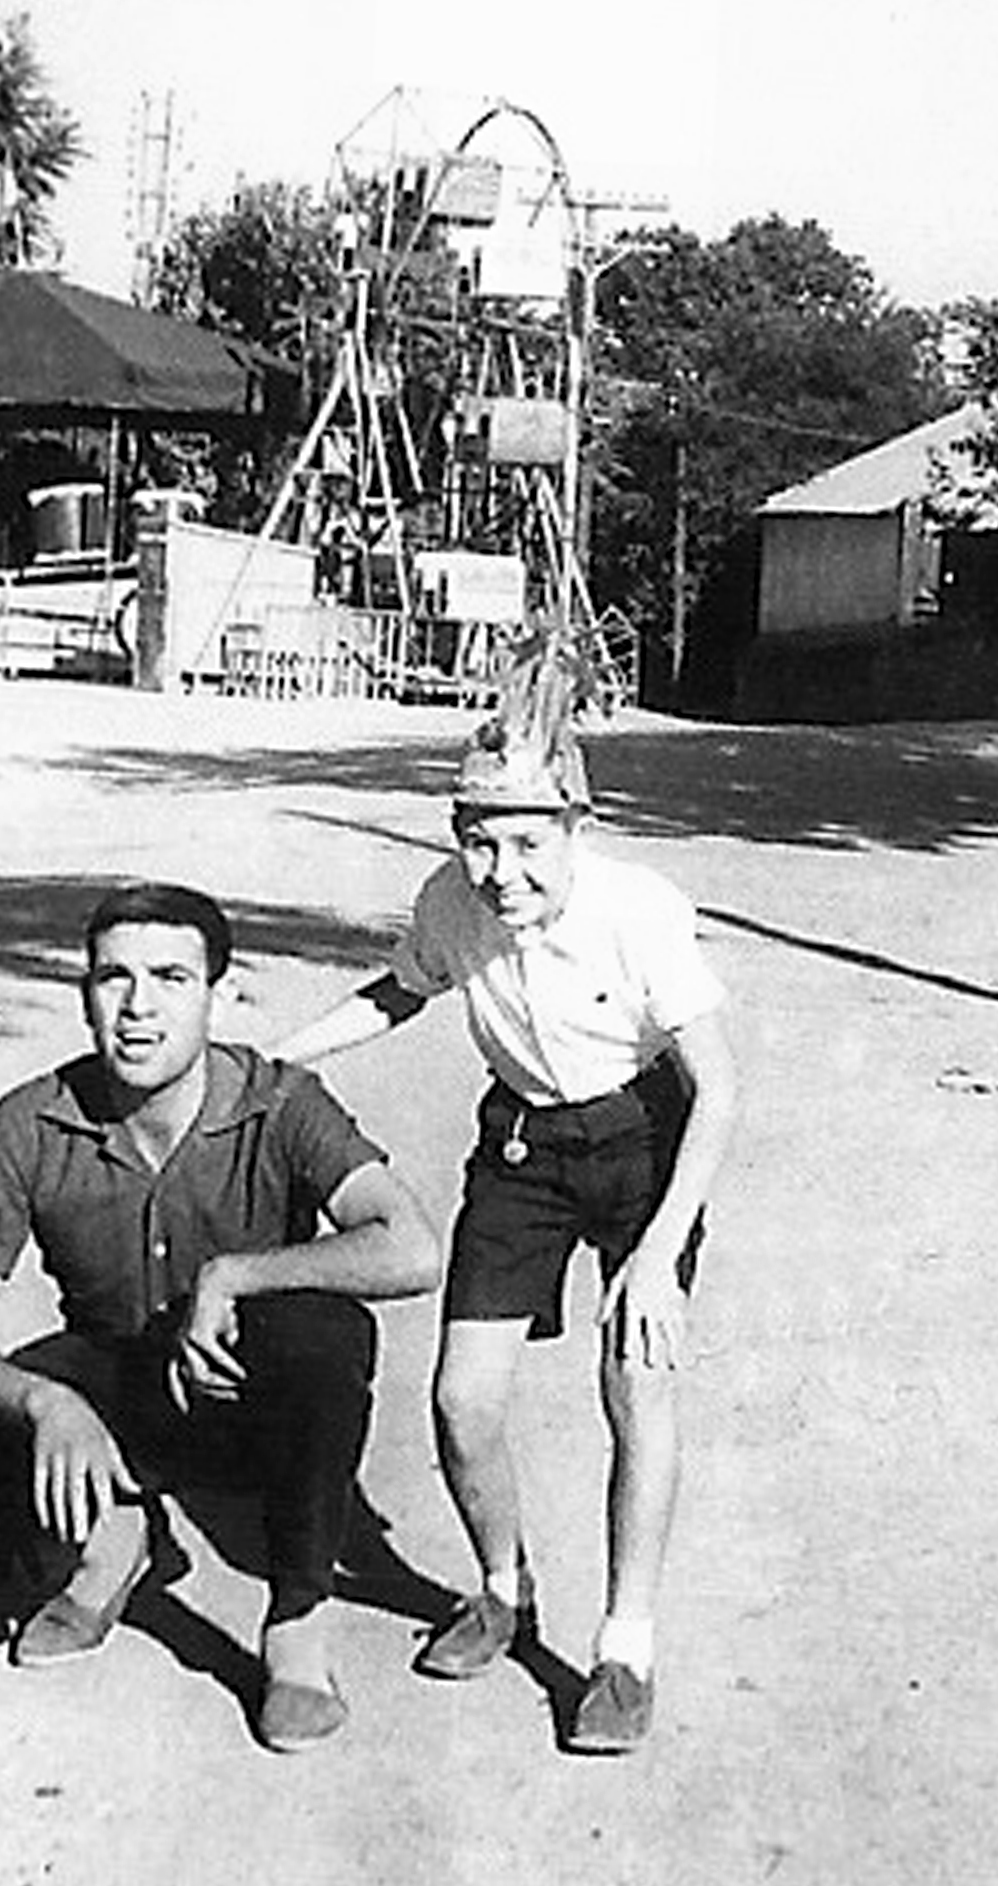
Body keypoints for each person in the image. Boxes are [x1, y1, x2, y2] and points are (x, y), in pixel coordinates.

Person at [273, 631, 737, 1753]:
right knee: (461, 1401)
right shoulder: (450, 902)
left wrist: (657, 1258)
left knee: (636, 1386)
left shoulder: (638, 910)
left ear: (577, 826)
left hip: (644, 1145)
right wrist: (274, 1060)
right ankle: (501, 1588)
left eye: (528, 842)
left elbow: (717, 1090)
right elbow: (398, 993)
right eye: (479, 841)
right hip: (524, 1148)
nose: (502, 871)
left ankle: (623, 1650)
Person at [0, 881, 440, 1753]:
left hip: (242, 1389)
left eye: (170, 978)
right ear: (85, 995)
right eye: (113, 978)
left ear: (217, 996)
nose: (137, 1007)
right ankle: (113, 1536)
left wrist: (234, 1277)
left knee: (324, 1336)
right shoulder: (27, 1122)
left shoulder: (281, 1101)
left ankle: (296, 1621)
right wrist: (48, 1404)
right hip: (113, 1380)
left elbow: (411, 1247)